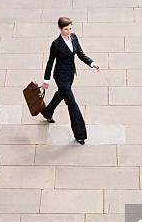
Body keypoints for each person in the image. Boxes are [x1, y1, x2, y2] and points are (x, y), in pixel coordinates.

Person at [41, 16, 100, 145]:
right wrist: (46, 80)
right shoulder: (56, 44)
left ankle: (47, 112)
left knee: (60, 94)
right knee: (72, 103)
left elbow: (80, 54)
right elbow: (50, 63)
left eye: (70, 28)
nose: (69, 31)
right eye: (66, 29)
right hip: (60, 76)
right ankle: (80, 134)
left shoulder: (73, 37)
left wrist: (92, 63)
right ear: (60, 29)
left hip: (70, 75)